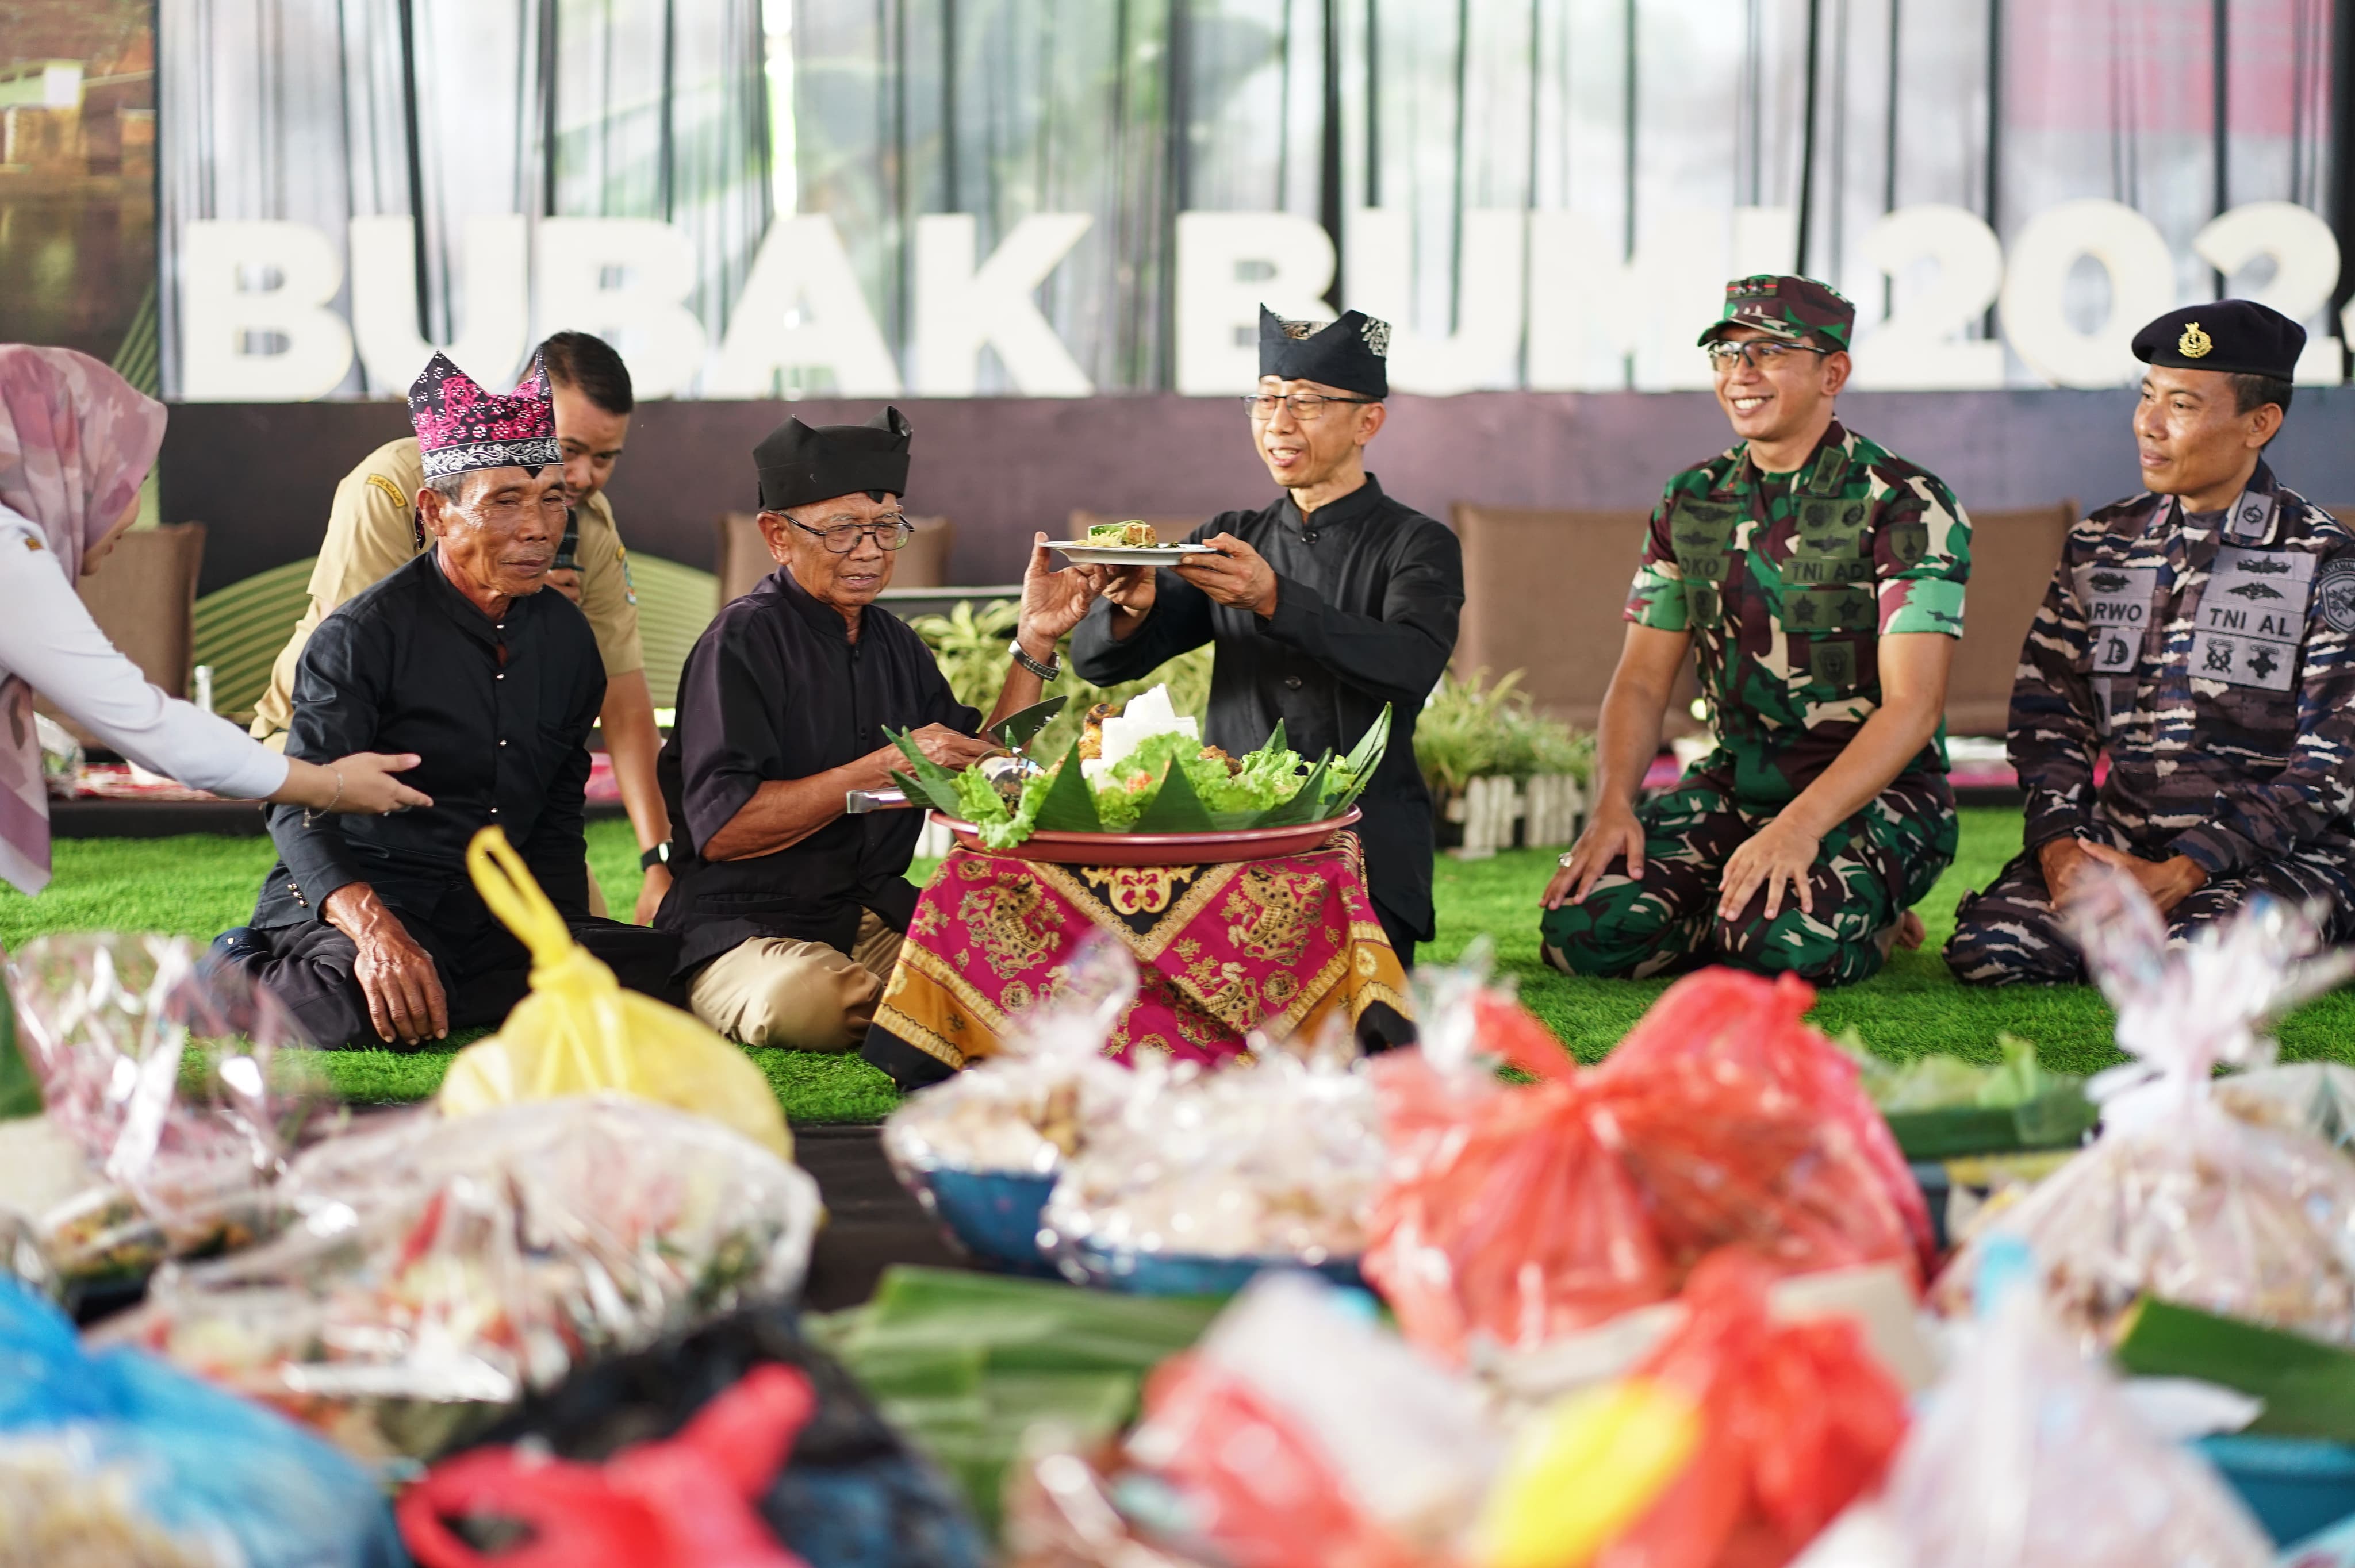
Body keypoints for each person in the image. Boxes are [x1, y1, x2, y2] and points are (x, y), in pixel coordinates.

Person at [210, 352, 678, 1048]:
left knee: (659, 976)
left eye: (552, 499)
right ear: (434, 513)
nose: (538, 528)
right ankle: (227, 973)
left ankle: (457, 981)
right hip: (373, 891)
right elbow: (299, 802)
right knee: (348, 1008)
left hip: (488, 903)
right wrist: (376, 934)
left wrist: (556, 944)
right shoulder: (360, 634)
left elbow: (555, 817)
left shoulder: (568, 641)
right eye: (504, 502)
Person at [1541, 274, 1971, 986]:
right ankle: (1777, 904)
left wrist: (1802, 828)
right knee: (1586, 931)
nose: (1740, 374)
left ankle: (1876, 913)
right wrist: (1614, 804)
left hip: (1878, 797)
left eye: (1769, 352)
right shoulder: (1690, 499)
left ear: (1832, 371)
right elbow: (1643, 680)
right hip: (1736, 783)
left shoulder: (1904, 502)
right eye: (1726, 353)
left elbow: (1913, 706)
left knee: (1779, 949)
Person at [654, 407, 1103, 1064]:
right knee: (804, 999)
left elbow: (981, 772)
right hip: (743, 930)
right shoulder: (742, 640)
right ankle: (932, 1006)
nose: (869, 551)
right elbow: (724, 831)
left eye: (886, 528)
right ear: (777, 535)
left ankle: (930, 1003)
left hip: (869, 919)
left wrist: (1034, 638)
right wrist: (886, 766)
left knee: (1038, 972)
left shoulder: (896, 644)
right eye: (842, 531)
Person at [1946, 301, 2355, 982]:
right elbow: (2050, 718)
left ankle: (2312, 921)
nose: (2149, 426)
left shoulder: (2325, 560)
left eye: (2182, 405)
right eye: (2146, 397)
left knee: (2190, 968)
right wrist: (2058, 847)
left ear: (2260, 423)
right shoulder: (2099, 547)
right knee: (1993, 949)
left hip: (2274, 852)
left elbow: (2331, 765)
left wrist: (2190, 865)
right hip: (2125, 838)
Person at [1068, 306, 1463, 964]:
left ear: (1368, 421)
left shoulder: (1417, 542)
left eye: (1306, 402)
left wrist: (1275, 599)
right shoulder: (1231, 535)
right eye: (1265, 399)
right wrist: (1131, 607)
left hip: (1363, 844)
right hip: (1231, 841)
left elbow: (1410, 664)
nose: (1278, 422)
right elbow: (1101, 664)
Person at [0, 346, 425, 898]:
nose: (131, 513)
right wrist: (330, 784)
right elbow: (144, 724)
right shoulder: (11, 553)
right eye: (125, 480)